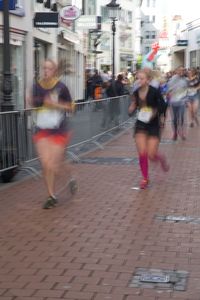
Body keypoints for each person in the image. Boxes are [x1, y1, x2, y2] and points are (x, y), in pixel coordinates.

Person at [32, 59, 77, 209]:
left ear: (54, 71)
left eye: (49, 69)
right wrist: (32, 101)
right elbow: (35, 103)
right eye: (44, 68)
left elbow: (71, 108)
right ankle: (51, 196)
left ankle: (70, 177)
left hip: (58, 130)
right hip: (42, 129)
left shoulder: (61, 87)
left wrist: (55, 104)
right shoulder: (37, 86)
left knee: (55, 164)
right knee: (46, 164)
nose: (46, 71)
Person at [128, 69, 169, 189]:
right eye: (138, 78)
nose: (139, 81)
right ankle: (145, 178)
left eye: (142, 78)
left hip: (153, 124)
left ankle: (160, 159)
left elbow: (163, 105)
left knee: (151, 154)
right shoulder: (136, 92)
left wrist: (155, 112)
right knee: (142, 153)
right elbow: (135, 104)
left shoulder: (155, 92)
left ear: (148, 80)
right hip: (141, 123)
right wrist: (131, 107)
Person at [167, 66, 188, 140]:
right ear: (176, 71)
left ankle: (181, 132)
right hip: (173, 102)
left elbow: (187, 90)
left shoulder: (186, 80)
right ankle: (175, 132)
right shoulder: (172, 80)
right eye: (180, 70)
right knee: (175, 119)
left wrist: (186, 99)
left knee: (181, 117)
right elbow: (168, 90)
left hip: (182, 102)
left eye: (183, 70)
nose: (181, 72)